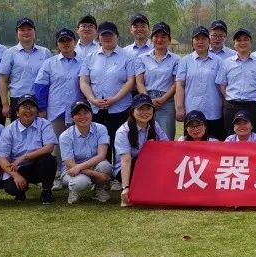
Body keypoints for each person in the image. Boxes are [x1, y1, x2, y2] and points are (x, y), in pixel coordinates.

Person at [79, 21, 136, 173]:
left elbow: (130, 81)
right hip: (96, 108)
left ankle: (119, 174)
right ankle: (102, 175)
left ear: (117, 36)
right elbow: (84, 81)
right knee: (100, 143)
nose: (107, 38)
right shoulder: (90, 57)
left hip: (120, 108)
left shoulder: (127, 57)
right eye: (104, 35)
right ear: (98, 37)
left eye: (110, 34)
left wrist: (115, 99)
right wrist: (92, 99)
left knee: (120, 142)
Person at [33, 28, 82, 190]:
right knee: (55, 146)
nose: (66, 44)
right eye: (62, 41)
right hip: (56, 110)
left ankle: (74, 174)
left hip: (78, 111)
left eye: (69, 40)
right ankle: (56, 177)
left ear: (74, 42)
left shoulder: (84, 62)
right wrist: (41, 108)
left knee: (76, 144)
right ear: (57, 45)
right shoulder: (50, 63)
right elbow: (40, 86)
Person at [0, 95, 58, 203]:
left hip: (37, 165)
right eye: (24, 106)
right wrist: (16, 176)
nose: (28, 110)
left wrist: (25, 157)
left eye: (32, 107)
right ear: (17, 112)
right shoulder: (8, 130)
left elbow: (49, 147)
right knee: (12, 188)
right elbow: (2, 158)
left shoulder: (44, 123)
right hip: (17, 168)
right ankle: (21, 190)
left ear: (37, 112)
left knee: (49, 160)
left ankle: (46, 191)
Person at [115, 94, 168, 206]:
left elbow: (167, 146)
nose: (145, 112)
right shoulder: (123, 131)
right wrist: (126, 187)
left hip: (147, 165)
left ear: (153, 110)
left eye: (148, 108)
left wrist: (155, 146)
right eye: (140, 109)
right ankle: (130, 190)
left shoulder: (154, 125)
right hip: (127, 168)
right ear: (132, 111)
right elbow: (126, 161)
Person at [216, 28, 256, 137]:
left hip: (253, 106)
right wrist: (229, 97)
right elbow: (222, 85)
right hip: (232, 106)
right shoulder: (226, 63)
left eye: (245, 39)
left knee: (255, 137)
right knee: (231, 137)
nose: (242, 42)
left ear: (251, 42)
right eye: (239, 40)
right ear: (234, 44)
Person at [175, 26, 226, 140]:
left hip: (213, 112)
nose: (200, 42)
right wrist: (179, 108)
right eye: (197, 39)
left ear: (209, 41)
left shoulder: (218, 61)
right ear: (192, 42)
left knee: (214, 145)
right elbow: (180, 85)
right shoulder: (185, 61)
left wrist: (225, 107)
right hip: (192, 112)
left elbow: (222, 87)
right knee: (192, 146)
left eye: (204, 39)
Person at [58, 99, 113, 204]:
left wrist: (82, 168)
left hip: (92, 166)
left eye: (85, 112)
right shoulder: (65, 136)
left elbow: (101, 155)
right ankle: (74, 191)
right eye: (78, 114)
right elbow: (71, 166)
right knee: (80, 182)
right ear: (72, 118)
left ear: (91, 114)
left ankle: (98, 189)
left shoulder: (101, 128)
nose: (82, 116)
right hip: (72, 171)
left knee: (105, 166)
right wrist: (95, 174)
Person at [0, 17, 51, 122]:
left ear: (35, 31)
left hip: (40, 99)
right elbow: (3, 80)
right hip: (18, 99)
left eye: (29, 29)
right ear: (17, 33)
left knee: (41, 129)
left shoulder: (45, 52)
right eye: (22, 30)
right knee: (19, 130)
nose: (26, 32)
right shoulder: (10, 53)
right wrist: (5, 104)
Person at [135, 22, 180, 140]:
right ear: (151, 38)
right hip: (145, 101)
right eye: (156, 36)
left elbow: (176, 83)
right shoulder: (142, 58)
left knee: (166, 138)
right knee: (143, 137)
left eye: (163, 36)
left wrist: (163, 99)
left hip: (166, 102)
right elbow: (139, 82)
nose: (159, 40)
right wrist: (147, 99)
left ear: (169, 39)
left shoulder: (176, 59)